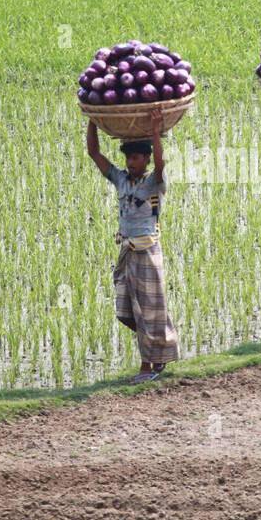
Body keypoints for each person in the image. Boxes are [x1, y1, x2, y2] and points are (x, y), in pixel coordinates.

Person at [86, 108, 179, 382]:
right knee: (128, 309)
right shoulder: (121, 181)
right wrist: (93, 120)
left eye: (136, 157)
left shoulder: (154, 183)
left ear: (146, 158)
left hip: (148, 253)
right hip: (128, 252)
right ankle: (158, 356)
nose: (130, 162)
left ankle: (147, 366)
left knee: (148, 310)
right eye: (128, 157)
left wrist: (154, 129)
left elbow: (161, 165)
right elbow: (94, 153)